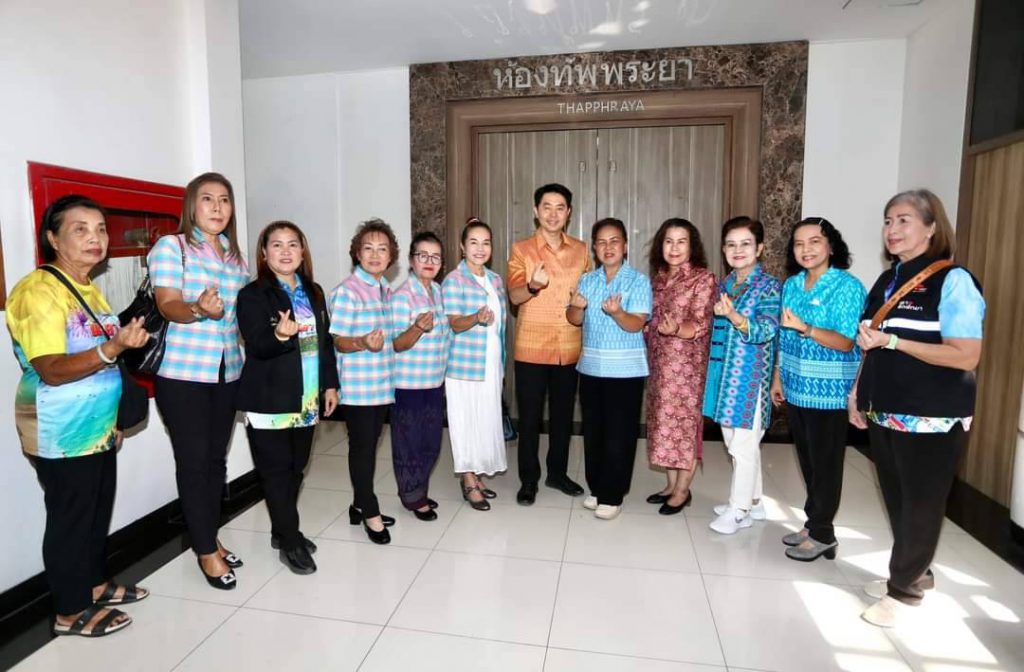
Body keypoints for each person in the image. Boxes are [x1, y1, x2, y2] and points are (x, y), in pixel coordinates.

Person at [8, 195, 150, 637]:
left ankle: (93, 585)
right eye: (80, 229)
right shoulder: (38, 291)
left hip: (96, 426)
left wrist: (113, 422)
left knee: (95, 510)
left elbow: (99, 362)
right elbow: (51, 368)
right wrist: (112, 347)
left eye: (101, 228)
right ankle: (69, 612)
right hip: (62, 430)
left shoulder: (86, 287)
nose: (96, 238)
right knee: (71, 518)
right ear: (53, 239)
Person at [852, 190, 984, 628]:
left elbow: (966, 355)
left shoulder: (954, 281)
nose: (892, 229)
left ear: (931, 227)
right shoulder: (886, 281)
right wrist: (858, 393)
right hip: (886, 409)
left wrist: (895, 341)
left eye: (904, 220)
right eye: (888, 220)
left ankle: (904, 592)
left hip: (932, 415)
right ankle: (917, 572)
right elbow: (870, 344)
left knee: (921, 504)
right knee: (897, 498)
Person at [150, 173, 250, 590]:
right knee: (194, 463)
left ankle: (209, 536)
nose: (217, 207)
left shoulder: (236, 258)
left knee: (215, 461)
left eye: (224, 200)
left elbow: (239, 320)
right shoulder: (172, 247)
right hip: (184, 374)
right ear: (192, 205)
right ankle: (205, 550)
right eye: (207, 199)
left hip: (228, 372)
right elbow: (167, 304)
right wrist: (198, 309)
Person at [236, 221, 339, 574]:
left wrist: (330, 385)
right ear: (264, 253)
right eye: (276, 245)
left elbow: (325, 343)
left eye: (292, 244)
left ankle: (282, 530)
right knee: (276, 472)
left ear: (302, 251)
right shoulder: (252, 295)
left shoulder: (314, 292)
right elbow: (257, 345)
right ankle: (290, 540)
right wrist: (279, 335)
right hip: (268, 400)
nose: (285, 251)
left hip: (306, 397)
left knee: (296, 468)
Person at [771, 217, 866, 562]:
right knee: (809, 462)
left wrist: (807, 328)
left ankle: (823, 533)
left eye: (814, 241)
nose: (806, 249)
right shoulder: (793, 285)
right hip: (797, 386)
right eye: (799, 243)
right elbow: (783, 335)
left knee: (826, 465)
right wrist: (778, 376)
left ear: (830, 246)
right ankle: (814, 524)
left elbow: (846, 341)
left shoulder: (847, 286)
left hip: (830, 391)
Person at [507, 183, 591, 505]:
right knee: (529, 419)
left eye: (560, 208)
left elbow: (588, 293)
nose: (553, 214)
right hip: (531, 347)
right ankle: (529, 480)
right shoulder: (522, 250)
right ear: (535, 211)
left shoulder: (581, 251)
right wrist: (532, 285)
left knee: (562, 417)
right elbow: (514, 296)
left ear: (568, 213)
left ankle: (557, 473)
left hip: (569, 348)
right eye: (546, 207)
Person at [567, 218, 651, 520]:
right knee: (594, 433)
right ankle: (598, 488)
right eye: (601, 242)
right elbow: (574, 319)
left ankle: (613, 495)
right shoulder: (587, 280)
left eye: (614, 241)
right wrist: (576, 306)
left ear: (625, 246)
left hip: (625, 372)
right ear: (594, 248)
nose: (608, 247)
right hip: (591, 368)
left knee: (619, 434)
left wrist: (617, 313)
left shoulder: (638, 281)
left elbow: (637, 323)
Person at [703, 216, 781, 535]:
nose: (738, 250)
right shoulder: (726, 284)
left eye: (746, 244)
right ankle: (754, 501)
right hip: (724, 375)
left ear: (759, 248)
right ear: (723, 250)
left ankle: (739, 511)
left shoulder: (769, 286)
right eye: (731, 245)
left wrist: (734, 315)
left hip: (750, 377)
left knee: (743, 446)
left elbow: (766, 330)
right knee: (736, 442)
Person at [330, 218, 399, 544]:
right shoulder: (348, 292)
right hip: (358, 388)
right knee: (362, 449)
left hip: (381, 384)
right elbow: (339, 340)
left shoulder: (385, 290)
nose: (375, 255)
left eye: (382, 249)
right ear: (357, 254)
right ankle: (370, 510)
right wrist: (361, 342)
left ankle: (358, 505)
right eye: (368, 248)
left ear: (391, 256)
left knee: (370, 447)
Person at [644, 218, 718, 515]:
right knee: (663, 425)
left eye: (681, 241)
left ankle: (682, 491)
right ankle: (670, 485)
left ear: (692, 246)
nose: (674, 248)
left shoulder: (703, 279)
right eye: (668, 241)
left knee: (684, 427)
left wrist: (676, 329)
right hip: (659, 366)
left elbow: (701, 323)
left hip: (687, 368)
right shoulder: (658, 280)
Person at [442, 218, 507, 511]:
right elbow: (454, 323)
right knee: (465, 420)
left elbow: (500, 326)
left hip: (491, 362)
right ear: (462, 246)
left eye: (486, 243)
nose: (480, 249)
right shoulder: (453, 280)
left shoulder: (495, 280)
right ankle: (468, 478)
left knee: (484, 419)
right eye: (473, 242)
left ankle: (477, 474)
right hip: (463, 366)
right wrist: (476, 318)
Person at [390, 232, 452, 521]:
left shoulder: (438, 291)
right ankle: (412, 496)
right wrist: (416, 328)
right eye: (423, 255)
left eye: (435, 257)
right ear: (411, 261)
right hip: (408, 385)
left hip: (434, 381)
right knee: (409, 443)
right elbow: (396, 344)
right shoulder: (401, 297)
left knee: (431, 442)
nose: (429, 261)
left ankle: (419, 490)